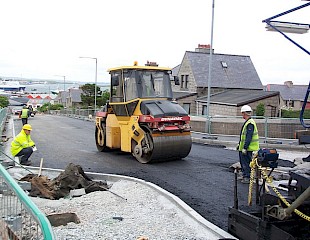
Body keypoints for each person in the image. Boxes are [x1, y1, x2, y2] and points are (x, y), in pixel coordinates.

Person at [237, 105, 259, 184]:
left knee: (246, 162)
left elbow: (248, 137)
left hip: (249, 148)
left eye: (242, 113)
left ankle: (247, 177)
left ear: (244, 113)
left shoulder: (250, 123)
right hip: (245, 147)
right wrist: (239, 145)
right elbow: (243, 136)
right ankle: (245, 174)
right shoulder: (249, 122)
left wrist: (245, 148)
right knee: (243, 162)